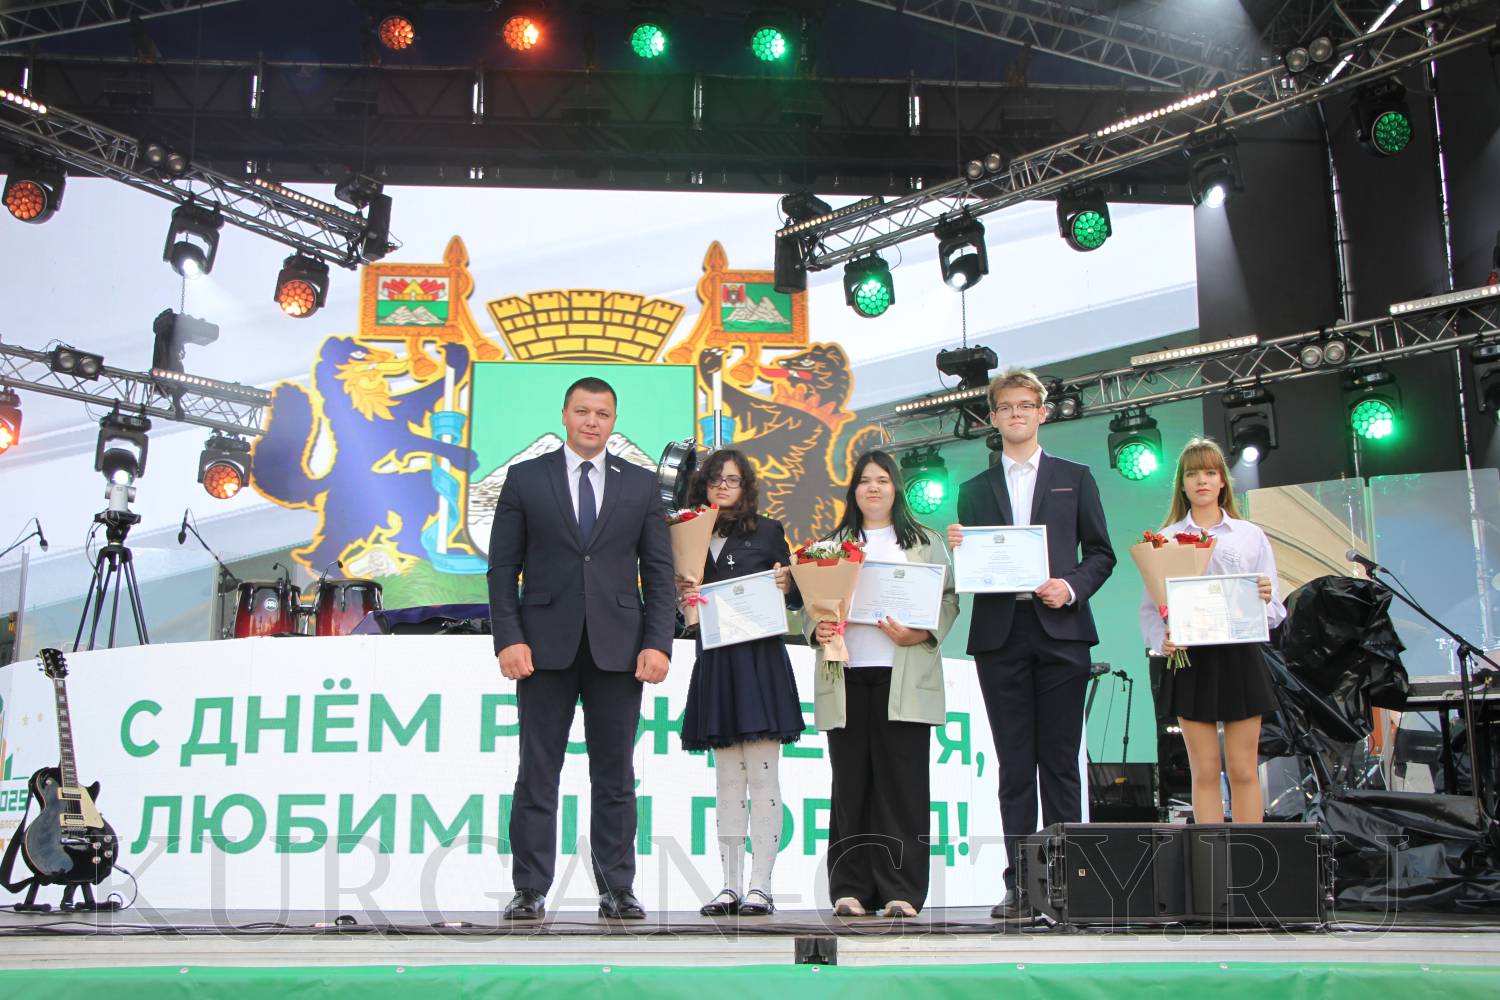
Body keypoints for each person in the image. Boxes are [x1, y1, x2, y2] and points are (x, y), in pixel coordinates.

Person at [487, 376, 675, 922]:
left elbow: (658, 573)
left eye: (603, 413)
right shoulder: (526, 478)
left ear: (614, 421)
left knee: (615, 776)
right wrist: (509, 638)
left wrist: (658, 643)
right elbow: (502, 569)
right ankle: (529, 889)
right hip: (541, 649)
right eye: (583, 411)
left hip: (620, 650)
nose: (592, 421)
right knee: (537, 772)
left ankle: (618, 888)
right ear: (565, 415)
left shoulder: (639, 485)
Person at [947, 368, 1116, 919]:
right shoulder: (973, 491)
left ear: (1042, 412)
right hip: (1001, 635)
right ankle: (1021, 886)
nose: (1016, 414)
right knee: (1015, 765)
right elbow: (978, 566)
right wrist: (961, 547)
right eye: (1006, 407)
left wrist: (1070, 586)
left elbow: (1101, 553)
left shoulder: (1075, 477)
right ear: (993, 418)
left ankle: (1068, 885)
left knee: (1061, 762)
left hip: (1062, 630)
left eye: (1025, 405)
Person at [807, 449, 959, 918]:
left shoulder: (926, 541)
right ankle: (850, 888)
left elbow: (948, 600)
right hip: (848, 675)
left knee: (903, 786)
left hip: (904, 676)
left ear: (896, 488)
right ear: (853, 490)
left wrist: (921, 632)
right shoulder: (831, 545)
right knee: (850, 785)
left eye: (882, 480)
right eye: (864, 480)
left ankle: (902, 891)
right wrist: (819, 628)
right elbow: (812, 607)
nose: (873, 488)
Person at [677, 450, 804, 918]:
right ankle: (729, 885)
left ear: (746, 486)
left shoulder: (768, 531)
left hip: (759, 661)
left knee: (763, 775)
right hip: (715, 660)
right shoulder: (686, 535)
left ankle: (761, 886)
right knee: (727, 779)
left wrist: (787, 582)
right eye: (715, 479)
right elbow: (679, 603)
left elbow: (796, 597)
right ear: (702, 486)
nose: (723, 486)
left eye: (732, 479)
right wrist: (683, 596)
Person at [1141, 437, 1283, 825]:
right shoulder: (1165, 539)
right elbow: (1150, 610)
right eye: (1192, 474)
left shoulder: (1249, 534)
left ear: (1222, 480)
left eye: (1209, 472)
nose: (1201, 481)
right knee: (1203, 772)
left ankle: (1249, 854)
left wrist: (1264, 598)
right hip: (1191, 659)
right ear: (1182, 484)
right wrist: (1162, 640)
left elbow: (1275, 612)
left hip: (1240, 656)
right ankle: (1210, 858)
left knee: (1243, 769)